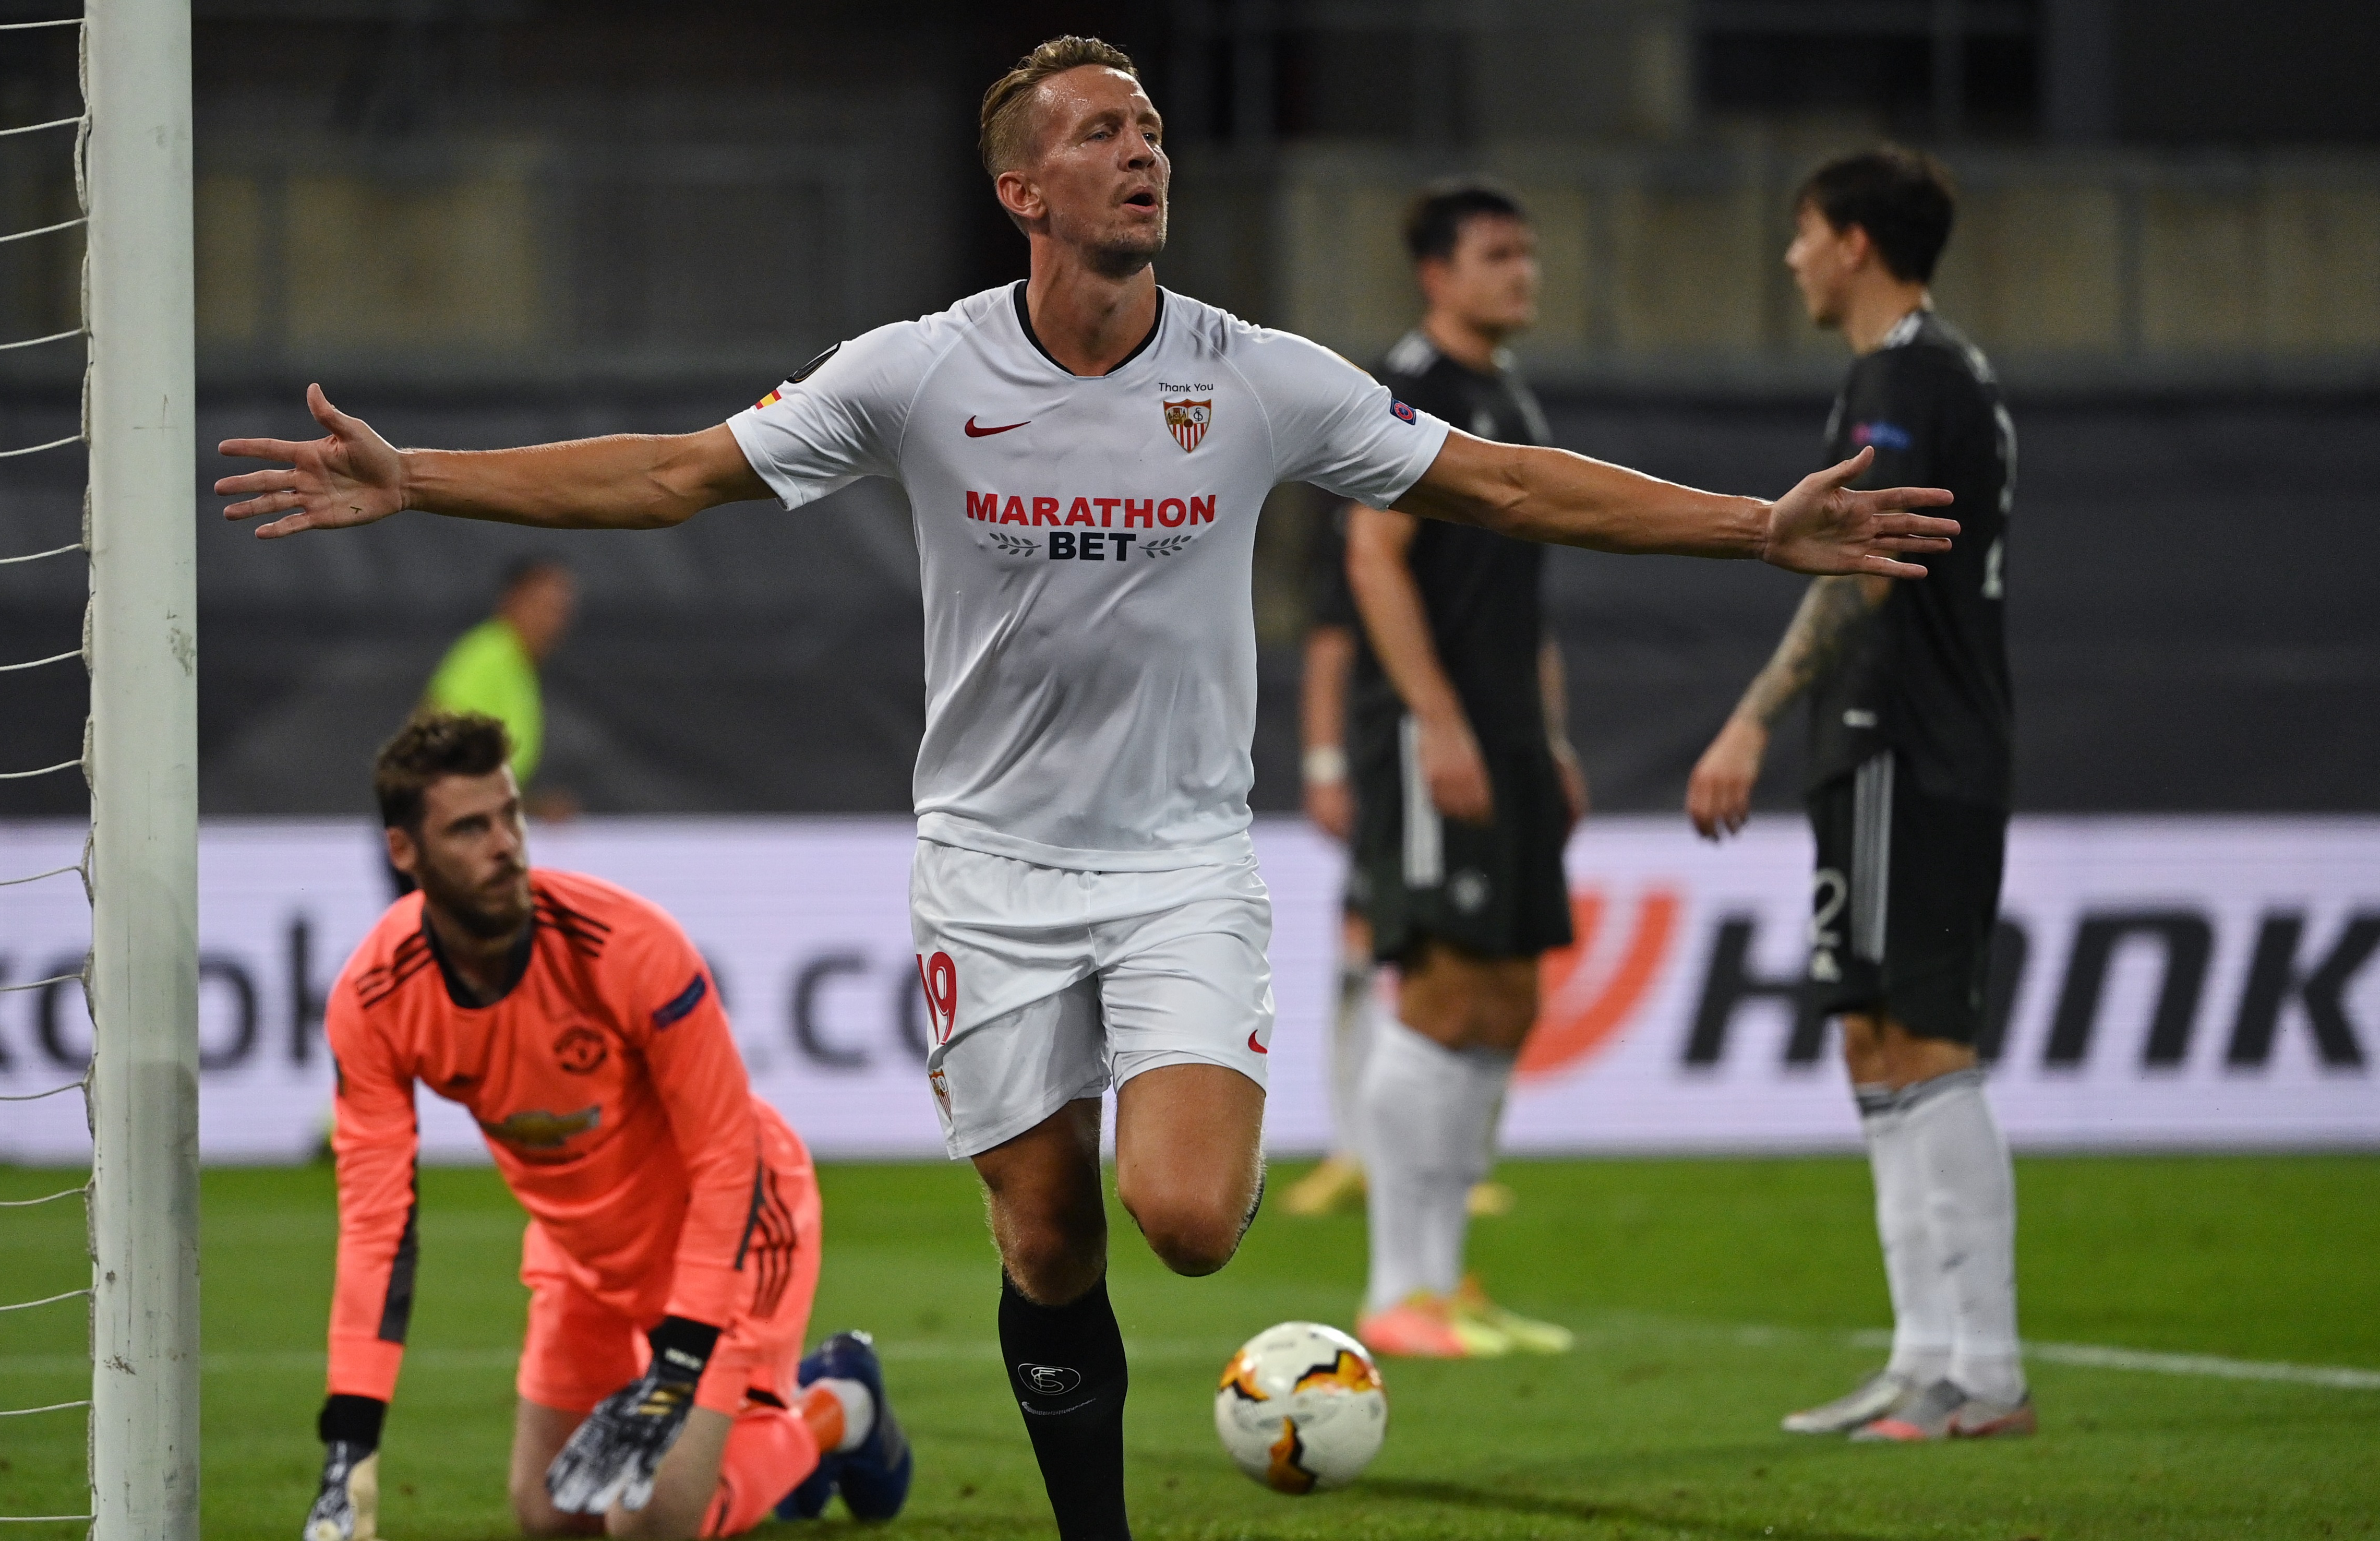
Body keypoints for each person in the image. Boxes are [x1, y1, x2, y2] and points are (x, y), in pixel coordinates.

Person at [221, 39, 1956, 1539]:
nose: (1144, 151)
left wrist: (1751, 524)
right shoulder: (916, 371)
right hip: (985, 865)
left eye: (1150, 129)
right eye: (1099, 131)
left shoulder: (1256, 375)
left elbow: (1494, 485)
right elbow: (678, 471)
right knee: (1045, 1238)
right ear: (1020, 189)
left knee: (1185, 1220)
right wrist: (421, 479)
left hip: (1181, 858)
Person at [301, 712, 911, 1541]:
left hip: (731, 1225)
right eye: (469, 827)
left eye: (509, 815)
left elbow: (728, 1156)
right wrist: (352, 1445)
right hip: (580, 1253)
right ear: (405, 853)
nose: (505, 845)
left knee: (649, 1523)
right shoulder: (375, 998)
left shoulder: (626, 945)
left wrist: (680, 1360)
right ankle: (756, 1449)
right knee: (552, 1519)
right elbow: (378, 1225)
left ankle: (836, 1408)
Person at [1686, 147, 2029, 1442]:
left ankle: (1984, 1369)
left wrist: (1747, 717)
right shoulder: (1938, 374)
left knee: (1926, 1039)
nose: (1791, 257)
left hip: (1908, 740)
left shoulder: (1905, 376)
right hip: (1900, 741)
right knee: (1876, 1039)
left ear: (1855, 244)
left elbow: (1863, 565)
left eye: (1803, 231)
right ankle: (1925, 1352)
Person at [1338, 182, 1583, 1359]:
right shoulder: (1409, 394)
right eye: (1497, 254)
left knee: (1509, 995)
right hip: (1432, 729)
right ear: (1436, 274)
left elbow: (1525, 601)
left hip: (1512, 734)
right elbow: (1373, 557)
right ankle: (1399, 1287)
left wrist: (1550, 734)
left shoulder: (1508, 397)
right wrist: (1433, 720)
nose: (1520, 274)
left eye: (1525, 252)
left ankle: (1448, 1282)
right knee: (1440, 988)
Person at [1275, 502, 1378, 1220]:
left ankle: (1448, 1159)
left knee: (1468, 966)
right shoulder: (1374, 520)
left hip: (1482, 761)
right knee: (1363, 947)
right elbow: (1331, 646)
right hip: (1388, 764)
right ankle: (1352, 1150)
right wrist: (1324, 763)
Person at [425, 556, 580, 811]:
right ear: (511, 601)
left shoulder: (520, 666)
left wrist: (534, 808)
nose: (554, 621)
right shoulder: (490, 653)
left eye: (562, 610)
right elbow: (434, 742)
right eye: (543, 605)